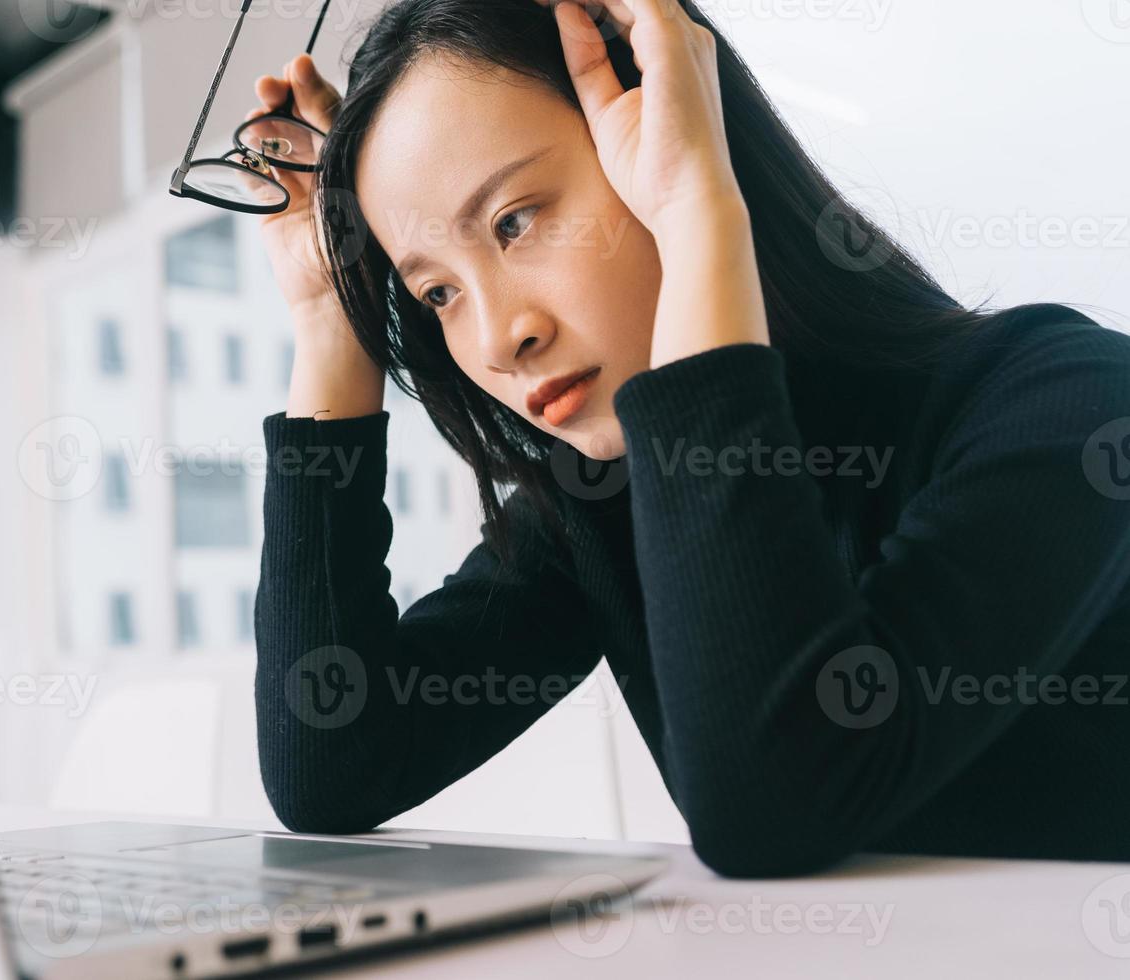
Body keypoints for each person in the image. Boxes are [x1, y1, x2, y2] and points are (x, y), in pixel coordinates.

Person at [243, 0, 1130, 878]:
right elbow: (333, 764)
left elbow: (776, 807)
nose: (492, 340)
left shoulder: (1072, 405)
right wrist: (329, 316)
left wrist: (702, 210)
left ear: (672, 132)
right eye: (438, 293)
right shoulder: (607, 497)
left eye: (515, 221)